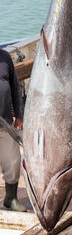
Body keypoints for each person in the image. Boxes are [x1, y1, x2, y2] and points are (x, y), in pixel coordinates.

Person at [0, 48, 26, 212]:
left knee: (13, 161)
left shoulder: (4, 57)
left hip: (6, 124)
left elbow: (15, 88)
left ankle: (11, 198)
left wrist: (19, 115)